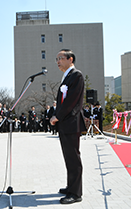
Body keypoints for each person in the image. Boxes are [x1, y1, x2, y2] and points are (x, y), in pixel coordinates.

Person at [50, 49, 86, 204]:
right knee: (68, 157)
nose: (58, 61)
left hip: (71, 122)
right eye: (56, 58)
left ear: (70, 59)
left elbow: (71, 100)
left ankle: (76, 193)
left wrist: (57, 116)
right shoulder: (66, 77)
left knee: (73, 158)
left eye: (61, 58)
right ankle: (71, 186)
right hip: (65, 124)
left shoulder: (76, 76)